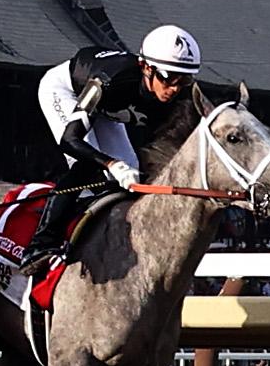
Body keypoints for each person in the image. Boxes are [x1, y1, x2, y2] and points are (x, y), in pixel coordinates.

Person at [28, 25, 206, 257]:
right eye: (168, 78)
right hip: (67, 91)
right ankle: (41, 244)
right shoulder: (110, 81)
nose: (174, 88)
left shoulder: (177, 94)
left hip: (107, 109)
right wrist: (110, 164)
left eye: (183, 81)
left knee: (131, 172)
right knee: (88, 165)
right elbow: (70, 139)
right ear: (146, 67)